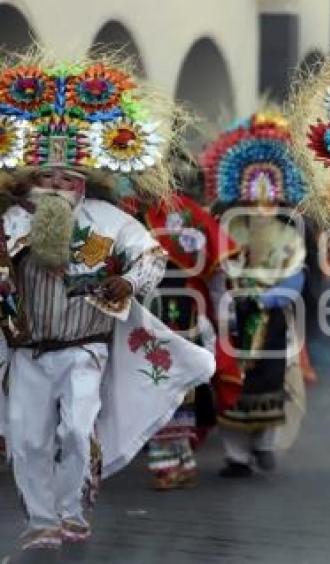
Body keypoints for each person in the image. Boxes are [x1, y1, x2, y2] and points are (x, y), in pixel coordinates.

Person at [0, 53, 215, 554]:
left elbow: (151, 255)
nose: (56, 187)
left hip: (84, 348)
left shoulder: (107, 218)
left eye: (67, 179)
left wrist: (130, 283)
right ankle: (42, 520)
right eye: (46, 178)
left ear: (84, 184)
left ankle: (72, 513)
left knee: (77, 428)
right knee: (28, 440)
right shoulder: (9, 221)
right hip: (27, 350)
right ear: (28, 181)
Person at [199, 111, 311, 478]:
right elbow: (218, 270)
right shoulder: (230, 232)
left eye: (270, 199)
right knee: (231, 380)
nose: (263, 207)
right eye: (255, 197)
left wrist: (266, 300)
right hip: (233, 314)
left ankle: (264, 446)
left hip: (271, 316)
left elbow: (295, 280)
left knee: (270, 382)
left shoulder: (290, 235)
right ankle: (236, 455)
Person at [124, 191, 239, 490]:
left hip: (180, 313)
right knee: (154, 384)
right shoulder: (128, 213)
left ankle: (167, 464)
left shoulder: (185, 213)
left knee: (169, 385)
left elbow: (215, 275)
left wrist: (224, 320)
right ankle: (180, 460)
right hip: (143, 313)